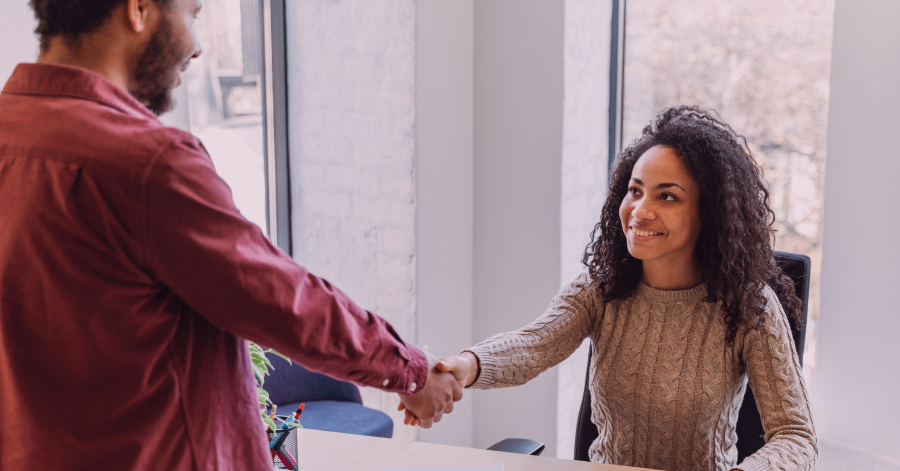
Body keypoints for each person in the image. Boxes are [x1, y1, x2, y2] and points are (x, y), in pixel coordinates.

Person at [0, 0, 461, 470]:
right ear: (138, 9)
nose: (196, 49)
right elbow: (285, 300)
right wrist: (411, 373)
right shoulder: (145, 163)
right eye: (192, 15)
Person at [428, 107, 817, 471]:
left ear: (709, 213)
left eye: (667, 196)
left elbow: (796, 436)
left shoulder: (748, 304)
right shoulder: (603, 287)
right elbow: (532, 345)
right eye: (635, 190)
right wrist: (465, 365)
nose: (640, 211)